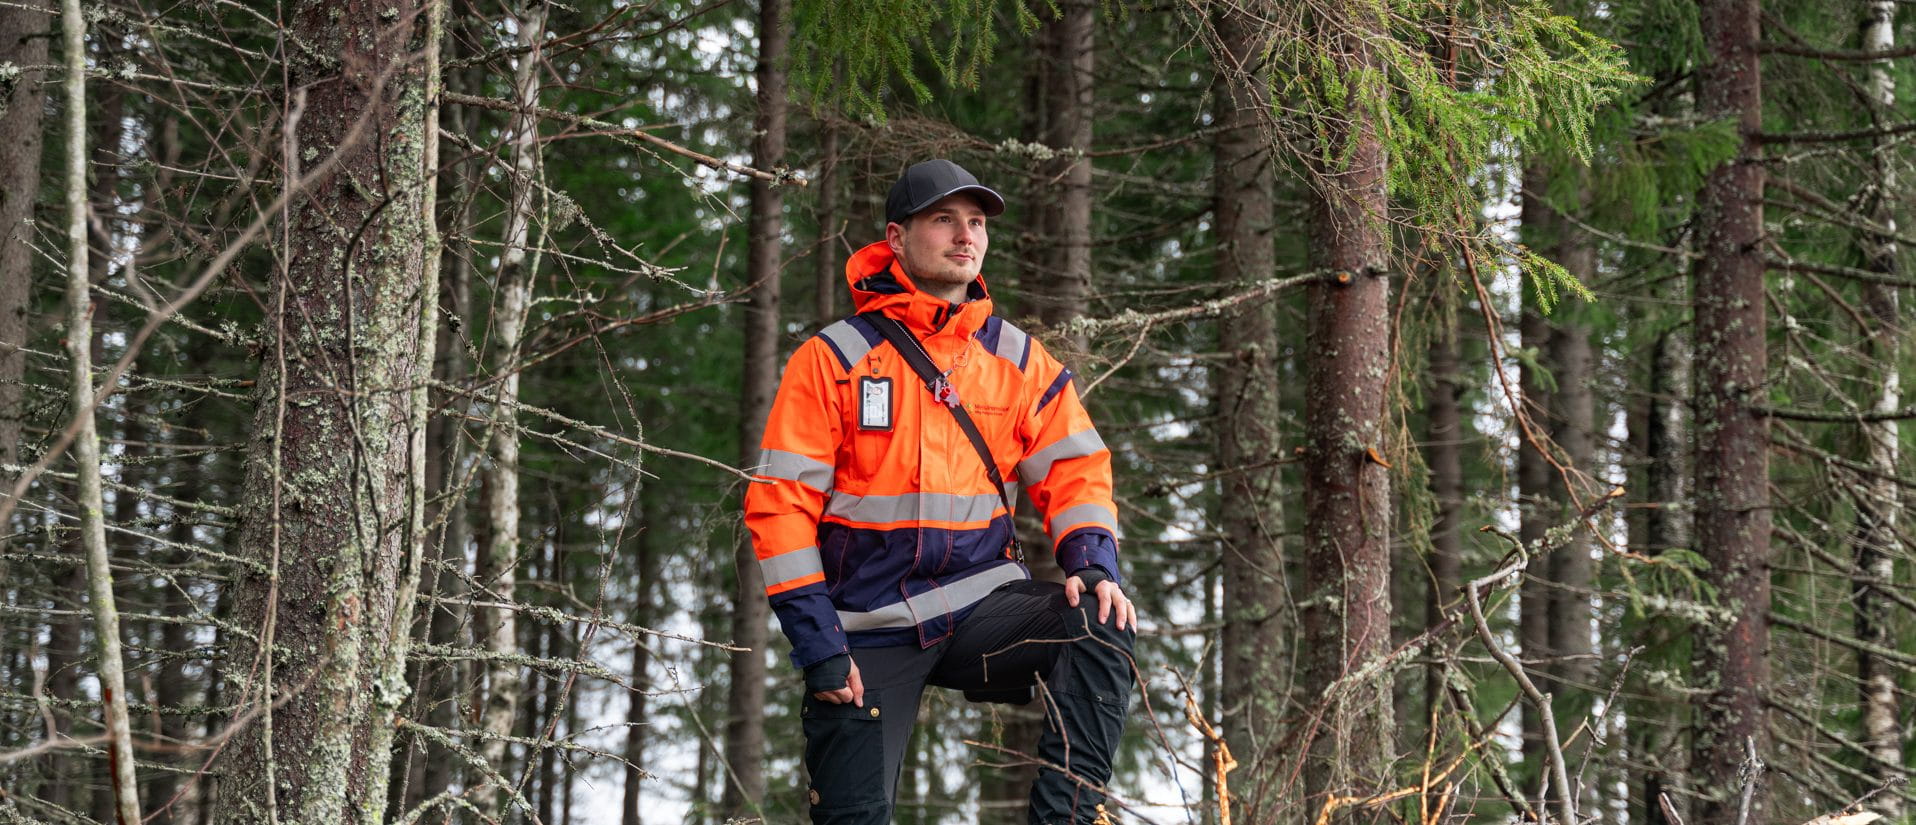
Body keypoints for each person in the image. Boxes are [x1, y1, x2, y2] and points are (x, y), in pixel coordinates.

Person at [744, 158, 1137, 825]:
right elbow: (780, 509)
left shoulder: (1018, 360)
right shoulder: (831, 359)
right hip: (867, 628)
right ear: (896, 238)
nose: (965, 236)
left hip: (984, 607)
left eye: (977, 222)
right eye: (944, 220)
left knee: (1102, 617)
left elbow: (1076, 469)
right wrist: (819, 643)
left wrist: (1093, 563)